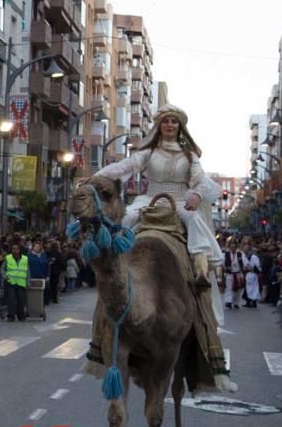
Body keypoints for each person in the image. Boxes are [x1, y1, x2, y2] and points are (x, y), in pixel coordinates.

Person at [89, 104, 222, 290]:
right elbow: (124, 166)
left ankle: (200, 267)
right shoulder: (148, 152)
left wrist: (197, 196)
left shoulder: (190, 155)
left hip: (181, 200)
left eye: (174, 122)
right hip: (150, 198)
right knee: (126, 216)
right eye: (165, 121)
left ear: (180, 127)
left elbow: (199, 180)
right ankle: (110, 261)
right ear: (159, 126)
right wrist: (97, 178)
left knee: (193, 219)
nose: (169, 125)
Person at [2, 243, 29, 322]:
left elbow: (28, 271)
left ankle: (21, 316)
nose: (15, 251)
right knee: (11, 300)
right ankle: (11, 316)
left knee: (21, 300)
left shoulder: (25, 259)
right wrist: (4, 276)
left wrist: (27, 281)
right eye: (13, 249)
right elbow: (3, 268)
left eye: (16, 249)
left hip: (21, 282)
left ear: (19, 250)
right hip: (11, 282)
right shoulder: (8, 258)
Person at [243, 242, 262, 308]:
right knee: (249, 289)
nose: (245, 250)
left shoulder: (254, 257)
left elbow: (257, 266)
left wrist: (251, 269)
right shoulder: (245, 256)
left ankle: (253, 302)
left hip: (253, 274)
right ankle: (250, 301)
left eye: (246, 249)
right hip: (248, 274)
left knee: (253, 289)